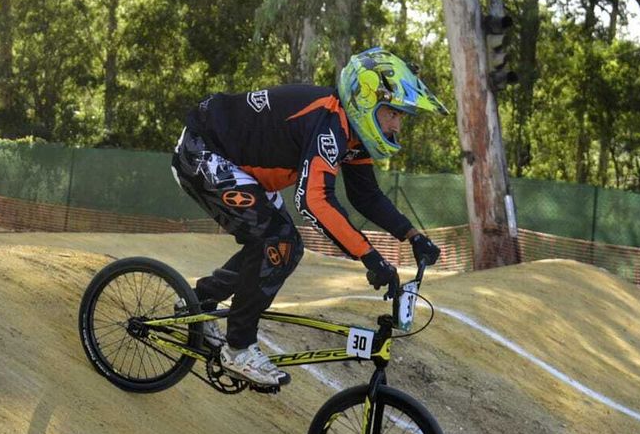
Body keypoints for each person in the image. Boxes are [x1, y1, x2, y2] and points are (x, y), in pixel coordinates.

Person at [170, 47, 448, 388]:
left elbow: (367, 196)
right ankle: (239, 347)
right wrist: (370, 257)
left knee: (287, 246)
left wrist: (412, 236)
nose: (397, 124)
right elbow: (314, 200)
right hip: (203, 152)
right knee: (277, 242)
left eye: (401, 117)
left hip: (238, 167)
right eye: (392, 113)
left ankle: (196, 302)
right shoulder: (327, 123)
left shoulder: (349, 131)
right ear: (365, 100)